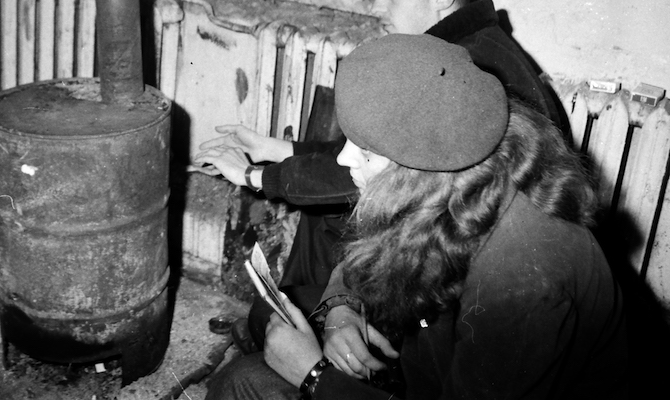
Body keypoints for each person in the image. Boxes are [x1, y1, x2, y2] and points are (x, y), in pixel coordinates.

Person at [204, 34, 628, 400]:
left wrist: (315, 377)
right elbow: (367, 255)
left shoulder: (522, 280)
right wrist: (342, 308)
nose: (346, 158)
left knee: (243, 383)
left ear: (420, 171)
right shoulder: (459, 176)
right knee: (270, 319)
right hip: (432, 353)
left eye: (366, 151)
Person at [198, 0, 568, 349]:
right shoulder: (469, 47)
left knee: (328, 221)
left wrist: (254, 175)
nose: (376, 7)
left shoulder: (466, 67)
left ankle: (300, 339)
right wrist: (277, 150)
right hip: (459, 238)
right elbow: (373, 152)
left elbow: (372, 173)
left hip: (462, 275)